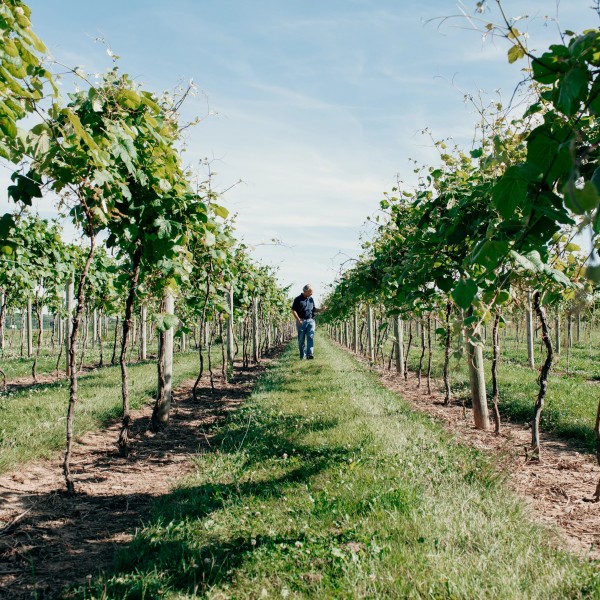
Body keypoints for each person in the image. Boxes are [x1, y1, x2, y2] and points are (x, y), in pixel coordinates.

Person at [291, 284, 323, 359]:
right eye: (310, 292)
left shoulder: (311, 299)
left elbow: (313, 309)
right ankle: (302, 355)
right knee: (301, 339)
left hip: (311, 320)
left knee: (310, 336)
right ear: (305, 291)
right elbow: (294, 310)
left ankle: (309, 354)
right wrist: (298, 319)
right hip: (301, 320)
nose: (312, 293)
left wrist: (321, 310)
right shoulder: (298, 299)